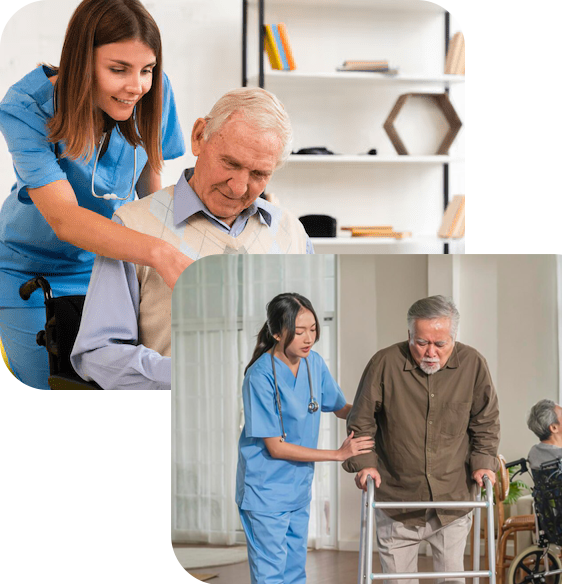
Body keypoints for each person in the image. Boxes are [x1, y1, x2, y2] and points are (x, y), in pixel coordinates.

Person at [0, 0, 190, 391]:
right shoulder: (26, 107)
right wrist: (159, 253)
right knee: (63, 399)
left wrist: (166, 258)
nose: (136, 85)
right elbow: (65, 219)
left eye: (147, 70)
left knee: (127, 390)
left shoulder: (154, 93)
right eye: (117, 69)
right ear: (80, 63)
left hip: (111, 266)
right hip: (31, 275)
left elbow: (151, 186)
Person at [70, 88, 313, 391]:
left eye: (259, 174)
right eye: (230, 163)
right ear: (199, 136)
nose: (239, 187)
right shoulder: (132, 227)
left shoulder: (292, 233)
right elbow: (96, 353)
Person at [343, 295, 500, 584]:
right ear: (409, 335)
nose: (431, 352)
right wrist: (365, 463)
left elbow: (485, 421)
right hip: (398, 499)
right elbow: (361, 420)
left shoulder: (473, 364)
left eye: (440, 344)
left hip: (452, 498)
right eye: (421, 342)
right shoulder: (384, 363)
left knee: (453, 581)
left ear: (454, 337)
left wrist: (483, 463)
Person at [235, 293, 373, 584]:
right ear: (276, 332)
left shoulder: (314, 364)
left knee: (295, 571)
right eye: (299, 332)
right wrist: (338, 454)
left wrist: (375, 415)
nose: (309, 338)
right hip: (265, 491)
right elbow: (275, 447)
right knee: (271, 574)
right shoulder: (260, 377)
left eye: (312, 329)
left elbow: (340, 408)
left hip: (298, 488)